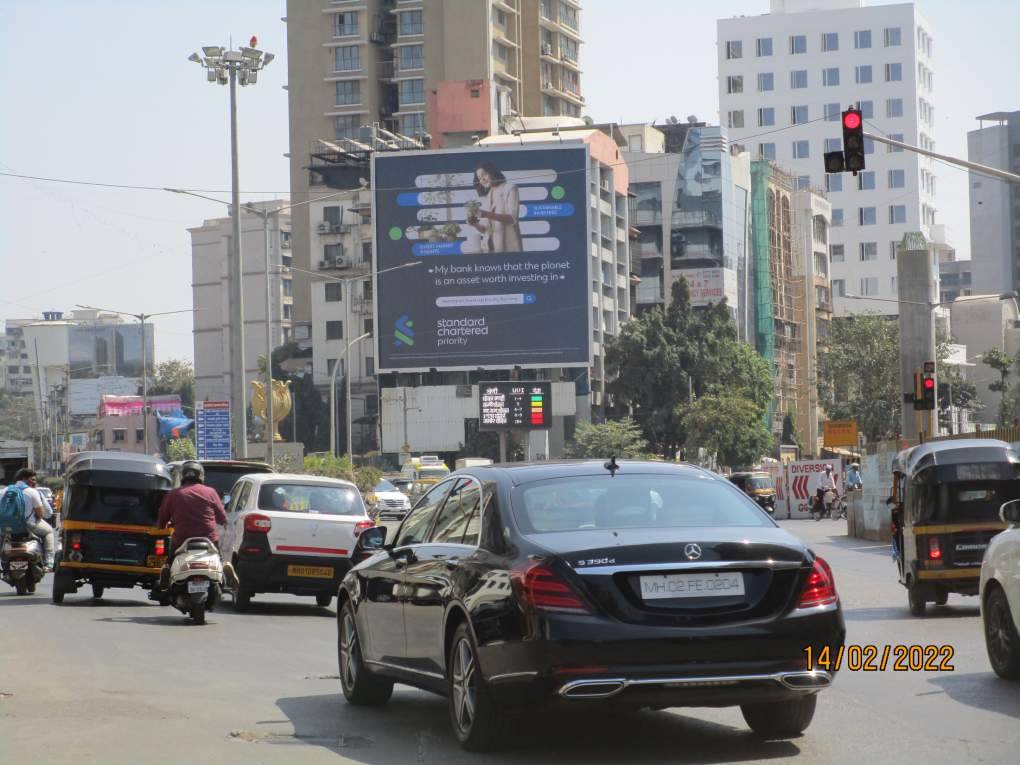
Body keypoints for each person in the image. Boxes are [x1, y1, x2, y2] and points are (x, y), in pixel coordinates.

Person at [157, 461, 227, 588]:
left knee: (170, 560)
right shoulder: (211, 492)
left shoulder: (174, 494)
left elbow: (163, 516)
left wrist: (161, 526)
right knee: (219, 557)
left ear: (183, 476)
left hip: (181, 539)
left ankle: (167, 572)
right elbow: (222, 518)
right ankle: (224, 569)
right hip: (209, 538)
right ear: (200, 475)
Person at [468, 162, 522, 253]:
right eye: (479, 178)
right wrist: (474, 224)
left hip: (507, 247)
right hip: (489, 249)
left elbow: (512, 218)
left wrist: (486, 214)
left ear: (492, 172)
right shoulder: (487, 196)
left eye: (484, 174)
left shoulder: (510, 188)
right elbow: (485, 229)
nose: (482, 179)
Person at [8, 469, 55, 571]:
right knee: (48, 532)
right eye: (32, 479)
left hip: (7, 526)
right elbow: (44, 514)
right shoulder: (33, 492)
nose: (35, 482)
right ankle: (49, 562)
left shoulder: (5, 491)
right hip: (28, 525)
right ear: (24, 479)